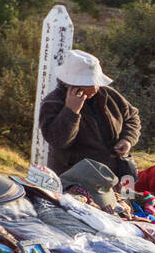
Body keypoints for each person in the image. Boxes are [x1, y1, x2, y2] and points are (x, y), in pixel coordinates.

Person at [38, 50, 140, 180]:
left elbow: (132, 117)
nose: (95, 88)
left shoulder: (109, 95)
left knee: (128, 199)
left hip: (115, 174)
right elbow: (59, 141)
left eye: (96, 82)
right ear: (71, 83)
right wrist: (71, 111)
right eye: (88, 83)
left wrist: (127, 139)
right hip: (74, 179)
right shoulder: (52, 102)